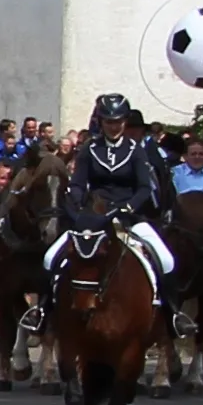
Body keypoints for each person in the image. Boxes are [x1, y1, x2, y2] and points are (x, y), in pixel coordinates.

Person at [58, 92, 175, 322]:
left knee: (166, 259)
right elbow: (79, 184)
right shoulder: (89, 149)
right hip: (95, 217)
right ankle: (42, 312)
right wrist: (79, 203)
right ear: (100, 122)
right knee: (51, 257)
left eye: (118, 122)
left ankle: (171, 317)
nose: (114, 127)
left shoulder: (135, 150)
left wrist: (128, 207)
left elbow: (144, 188)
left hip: (127, 216)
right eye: (109, 122)